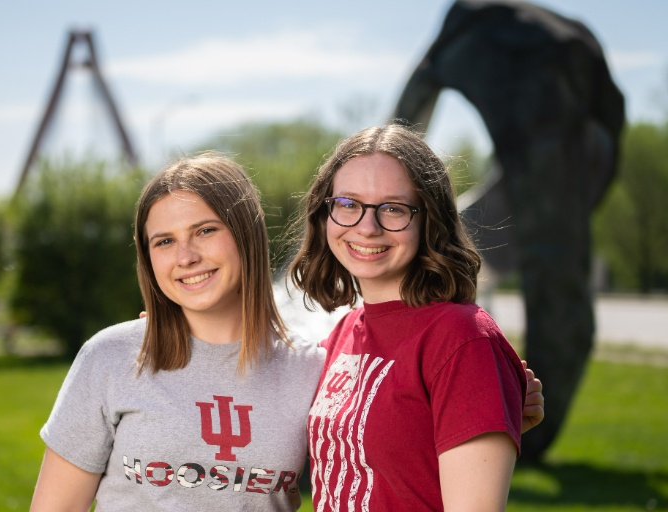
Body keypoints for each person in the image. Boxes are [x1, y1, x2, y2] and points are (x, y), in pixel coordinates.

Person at [30, 153, 326, 511]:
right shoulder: (110, 357)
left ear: (246, 235)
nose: (185, 257)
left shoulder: (312, 370)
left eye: (205, 230)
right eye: (165, 241)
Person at [288, 123, 534, 511]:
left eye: (393, 209)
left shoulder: (463, 339)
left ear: (429, 221)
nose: (367, 228)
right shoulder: (345, 333)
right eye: (348, 204)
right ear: (325, 214)